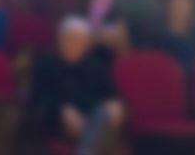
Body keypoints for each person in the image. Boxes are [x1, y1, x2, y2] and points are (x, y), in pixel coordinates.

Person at [31, 17, 125, 155]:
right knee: (101, 132)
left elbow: (111, 95)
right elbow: (37, 99)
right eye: (68, 39)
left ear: (86, 45)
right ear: (59, 41)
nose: (72, 44)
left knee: (105, 114)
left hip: (93, 119)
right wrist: (61, 111)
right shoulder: (45, 65)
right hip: (61, 124)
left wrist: (115, 103)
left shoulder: (97, 66)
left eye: (78, 41)